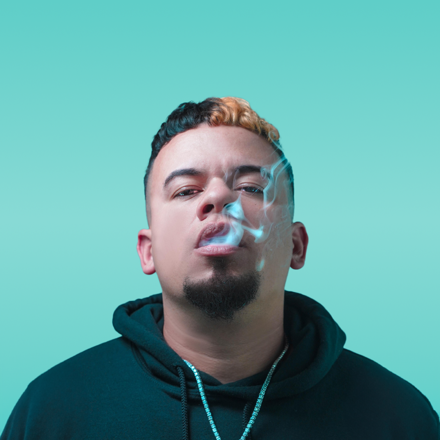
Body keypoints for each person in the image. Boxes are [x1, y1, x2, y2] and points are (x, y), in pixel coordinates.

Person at [1, 97, 438, 440]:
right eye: (186, 190)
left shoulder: (398, 417)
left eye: (250, 187)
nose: (218, 199)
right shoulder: (51, 412)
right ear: (148, 252)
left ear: (296, 245)